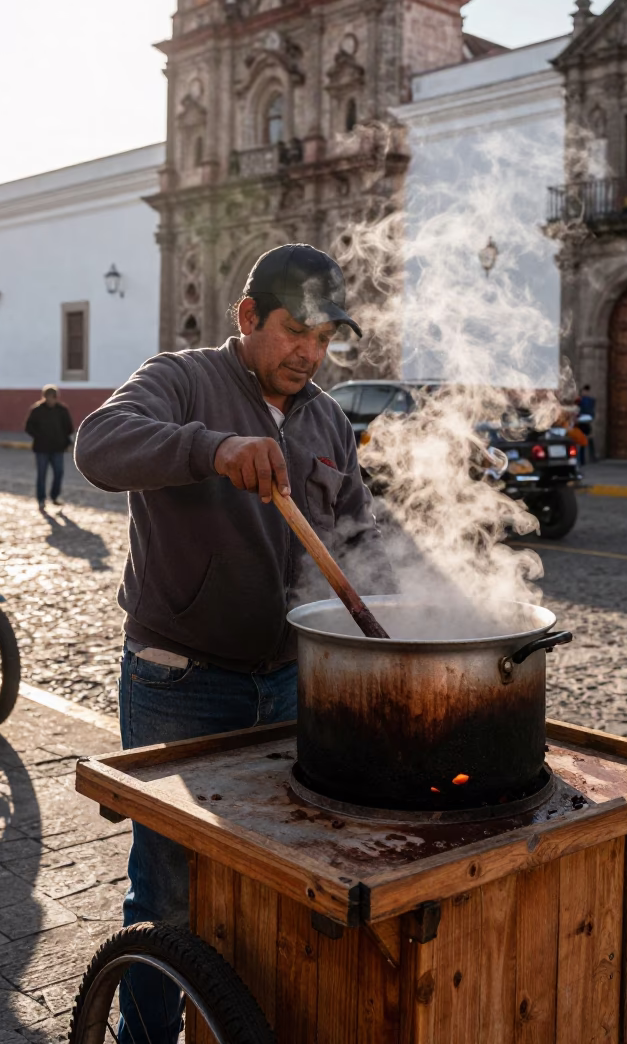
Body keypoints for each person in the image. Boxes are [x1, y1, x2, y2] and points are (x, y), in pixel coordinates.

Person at [74, 243, 391, 1044]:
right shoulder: (181, 379)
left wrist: (422, 605)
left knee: (271, 878)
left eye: (324, 339)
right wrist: (210, 449)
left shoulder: (324, 417)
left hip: (287, 682)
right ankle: (143, 1039)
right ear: (248, 318)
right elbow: (100, 445)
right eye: (295, 333)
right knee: (170, 888)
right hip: (180, 681)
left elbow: (357, 532)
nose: (310, 355)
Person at [24, 386, 74, 511]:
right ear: (44, 397)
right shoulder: (37, 410)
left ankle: (55, 496)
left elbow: (69, 427)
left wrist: (64, 440)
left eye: (53, 397)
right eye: (49, 397)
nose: (51, 400)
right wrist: (39, 436)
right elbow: (28, 427)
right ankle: (41, 499)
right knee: (41, 475)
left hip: (58, 448)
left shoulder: (62, 410)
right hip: (41, 448)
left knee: (59, 473)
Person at [576, 384, 597, 465]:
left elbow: (591, 411)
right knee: (582, 442)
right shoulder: (580, 400)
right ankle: (582, 460)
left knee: (589, 440)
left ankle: (591, 457)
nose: (585, 393)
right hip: (581, 423)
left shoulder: (590, 400)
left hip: (587, 423)